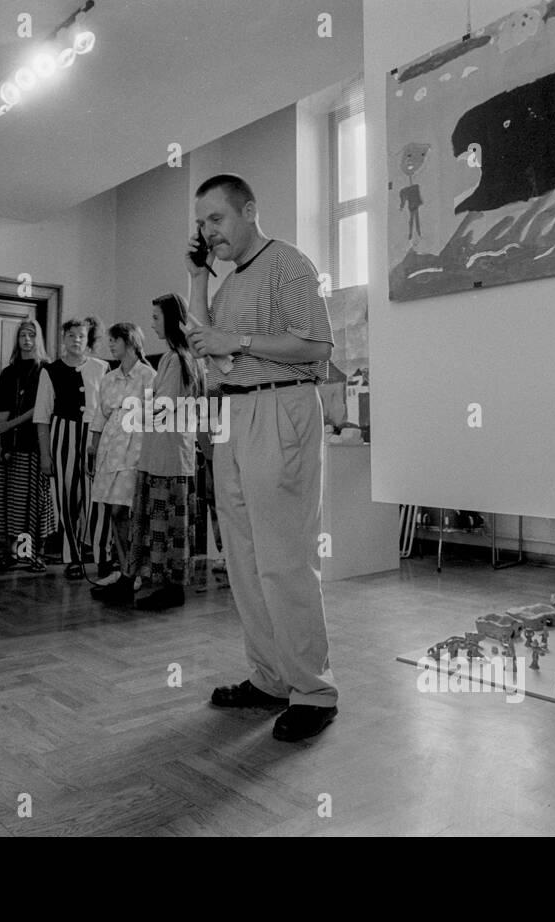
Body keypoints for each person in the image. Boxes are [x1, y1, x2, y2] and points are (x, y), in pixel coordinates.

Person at [185, 173, 339, 742]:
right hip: (236, 414)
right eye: (201, 224)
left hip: (281, 406)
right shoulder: (227, 284)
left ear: (249, 211)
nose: (208, 231)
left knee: (284, 557)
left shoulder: (287, 265)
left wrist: (240, 344)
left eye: (216, 219)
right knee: (245, 560)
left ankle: (314, 690)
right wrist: (199, 278)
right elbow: (205, 342)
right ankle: (271, 677)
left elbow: (318, 348)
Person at [125, 295, 204, 611]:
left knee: (164, 524)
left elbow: (162, 407)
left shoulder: (175, 359)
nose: (152, 323)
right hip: (171, 452)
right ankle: (168, 586)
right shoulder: (184, 358)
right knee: (171, 525)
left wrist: (132, 411)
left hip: (167, 455)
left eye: (156, 318)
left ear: (170, 320)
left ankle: (169, 588)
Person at [34, 317, 108, 580]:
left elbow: (108, 408)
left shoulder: (102, 368)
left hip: (94, 438)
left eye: (81, 335)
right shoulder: (50, 371)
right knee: (66, 500)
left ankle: (102, 557)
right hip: (62, 436)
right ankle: (73, 556)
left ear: (88, 339)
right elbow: (42, 416)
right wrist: (45, 455)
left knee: (96, 499)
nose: (76, 340)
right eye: (71, 335)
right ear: (63, 339)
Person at [87, 322, 155, 601]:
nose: (110, 345)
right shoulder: (109, 377)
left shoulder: (148, 376)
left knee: (125, 511)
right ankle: (124, 567)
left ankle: (136, 570)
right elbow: (100, 414)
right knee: (111, 510)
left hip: (135, 447)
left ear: (129, 341)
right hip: (110, 447)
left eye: (114, 340)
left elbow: (155, 416)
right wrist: (92, 447)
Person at [0, 319, 55, 571]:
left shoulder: (46, 370)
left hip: (34, 444)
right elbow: (2, 413)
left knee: (34, 504)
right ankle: (14, 553)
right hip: (10, 447)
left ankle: (35, 553)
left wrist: (11, 424)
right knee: (11, 504)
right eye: (22, 335)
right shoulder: (8, 372)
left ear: (38, 338)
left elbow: (41, 409)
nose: (27, 339)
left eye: (31, 335)